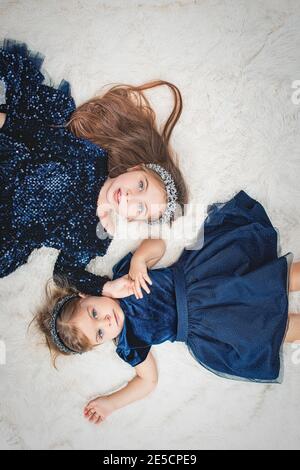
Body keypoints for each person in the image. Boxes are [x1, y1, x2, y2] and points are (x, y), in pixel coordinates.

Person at [34, 189, 299, 425]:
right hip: (206, 327)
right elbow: (147, 381)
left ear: (85, 295)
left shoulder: (122, 277)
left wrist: (139, 259)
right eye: (100, 333)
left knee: (272, 279)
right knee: (268, 330)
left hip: (201, 279)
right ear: (100, 343)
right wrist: (111, 403)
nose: (107, 321)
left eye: (94, 313)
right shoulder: (128, 344)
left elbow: (157, 245)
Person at [0, 38, 188, 296]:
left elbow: (65, 271)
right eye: (141, 185)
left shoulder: (100, 233)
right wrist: (6, 123)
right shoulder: (90, 157)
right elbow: (40, 137)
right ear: (134, 168)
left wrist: (106, 287)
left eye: (140, 206)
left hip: (9, 235)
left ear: (133, 218)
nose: (131, 196)